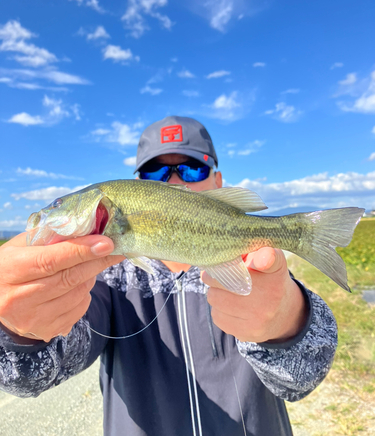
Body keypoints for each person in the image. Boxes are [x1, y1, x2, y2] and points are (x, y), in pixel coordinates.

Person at [0, 116, 337, 436]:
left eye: (192, 169)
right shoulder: (105, 279)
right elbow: (35, 374)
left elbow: (301, 381)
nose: (174, 180)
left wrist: (287, 322)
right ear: (138, 184)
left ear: (218, 182)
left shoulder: (256, 267)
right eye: (156, 171)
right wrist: (18, 331)